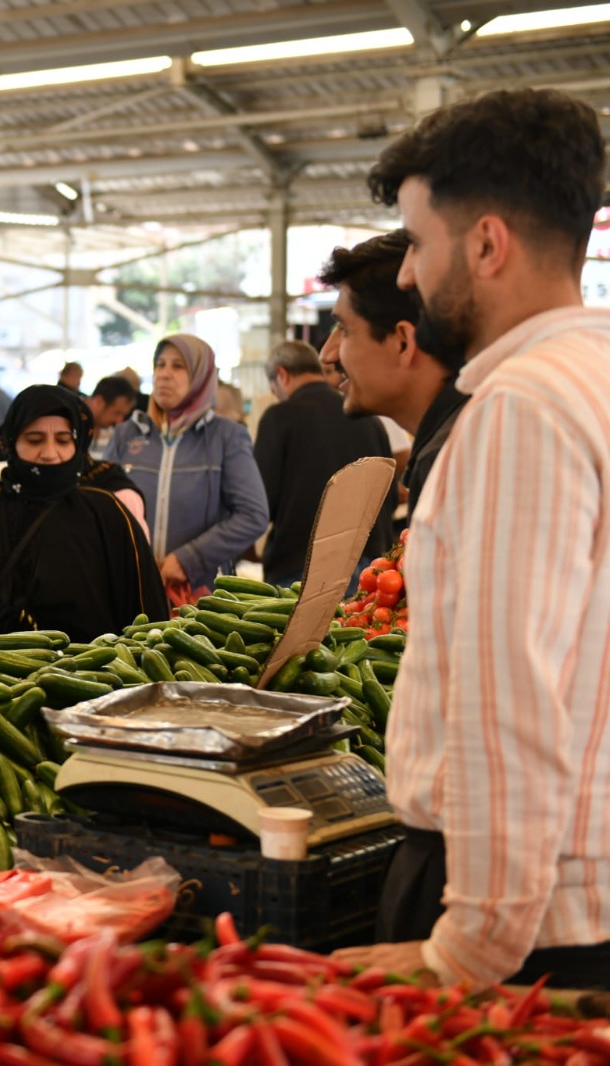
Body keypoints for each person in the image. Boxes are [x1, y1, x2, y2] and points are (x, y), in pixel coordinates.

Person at [332, 88, 610, 989]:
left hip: (525, 921)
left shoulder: (520, 411)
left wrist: (467, 951)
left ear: (487, 244)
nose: (406, 275)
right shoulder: (595, 376)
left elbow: (508, 703)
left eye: (418, 242)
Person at [0, 385, 168, 641]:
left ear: (78, 444)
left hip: (93, 678)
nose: (49, 453)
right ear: (10, 442)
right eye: (34, 440)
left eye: (63, 440)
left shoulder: (107, 515)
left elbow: (148, 619)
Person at [105, 334, 268, 602]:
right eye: (160, 365)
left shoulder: (225, 437)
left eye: (178, 366)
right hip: (130, 591)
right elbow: (102, 506)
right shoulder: (127, 435)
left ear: (201, 376)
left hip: (198, 598)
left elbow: (253, 515)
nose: (165, 374)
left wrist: (189, 558)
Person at [317, 231, 467, 516]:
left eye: (345, 331)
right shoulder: (453, 444)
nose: (328, 354)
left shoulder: (451, 464)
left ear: (403, 343)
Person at [254, 339, 396, 589]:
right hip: (368, 564)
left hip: (301, 565)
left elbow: (261, 499)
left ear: (282, 375)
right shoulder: (367, 417)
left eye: (273, 389)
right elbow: (390, 493)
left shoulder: (280, 417)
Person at [85, 375, 140, 462]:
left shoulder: (113, 435)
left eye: (123, 415)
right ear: (98, 402)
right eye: (117, 413)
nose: (119, 421)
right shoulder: (68, 426)